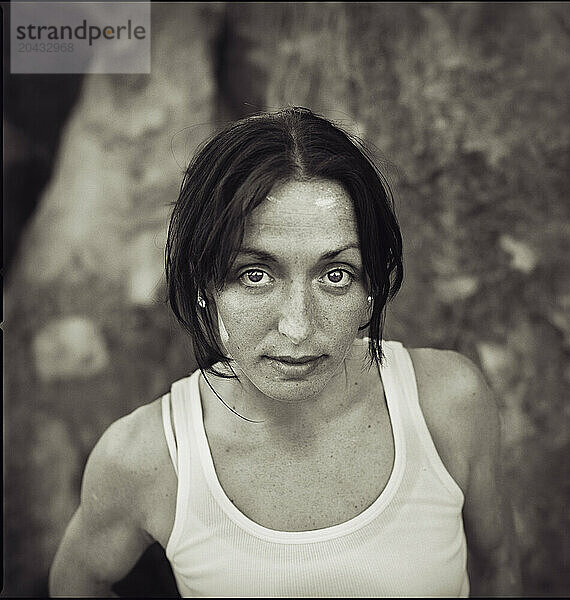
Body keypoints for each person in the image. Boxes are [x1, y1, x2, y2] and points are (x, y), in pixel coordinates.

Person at [49, 107, 521, 597]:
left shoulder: (447, 404)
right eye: (256, 274)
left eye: (336, 275)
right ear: (204, 287)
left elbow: (498, 565)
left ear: (372, 290)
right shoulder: (148, 457)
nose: (297, 327)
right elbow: (75, 583)